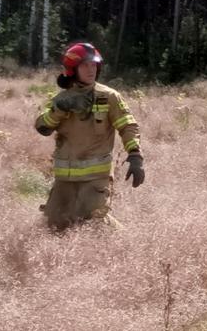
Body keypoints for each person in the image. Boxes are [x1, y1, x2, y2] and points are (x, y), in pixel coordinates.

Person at [34, 42, 144, 230]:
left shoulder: (109, 97)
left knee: (96, 224)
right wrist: (59, 110)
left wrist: (135, 155)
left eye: (94, 65)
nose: (91, 69)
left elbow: (128, 126)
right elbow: (42, 127)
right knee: (53, 226)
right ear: (72, 69)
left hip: (95, 178)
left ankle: (126, 244)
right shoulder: (61, 99)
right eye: (85, 65)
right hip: (64, 180)